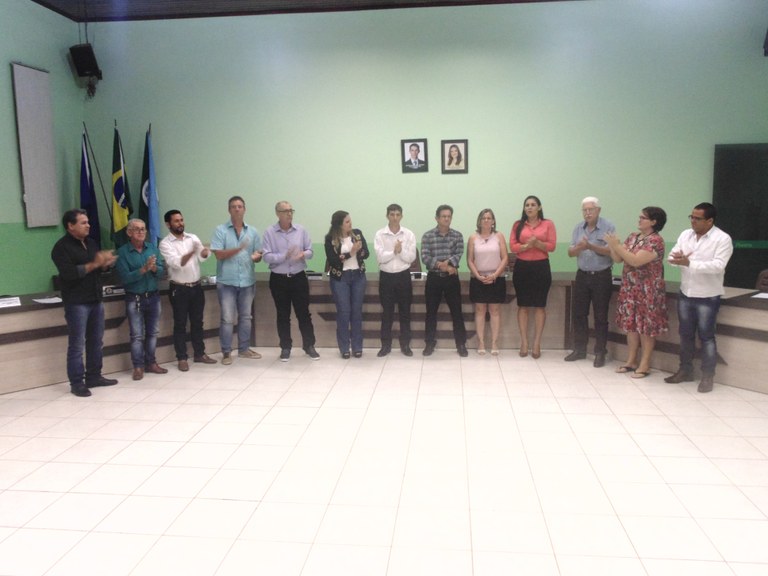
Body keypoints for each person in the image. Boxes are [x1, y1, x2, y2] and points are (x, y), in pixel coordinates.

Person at [664, 202, 733, 393]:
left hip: (707, 296)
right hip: (686, 292)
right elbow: (672, 257)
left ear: (709, 221)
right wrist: (677, 260)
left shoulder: (722, 239)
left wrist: (689, 263)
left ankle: (707, 376)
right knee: (685, 335)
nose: (693, 221)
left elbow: (718, 265)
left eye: (697, 218)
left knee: (706, 337)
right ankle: (685, 371)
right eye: (691, 217)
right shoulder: (685, 235)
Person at [51, 209, 118, 397]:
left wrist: (105, 264)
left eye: (88, 222)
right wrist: (95, 264)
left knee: (96, 341)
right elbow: (69, 274)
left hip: (95, 298)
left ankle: (94, 376)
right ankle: (77, 383)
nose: (88, 225)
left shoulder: (91, 243)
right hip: (76, 302)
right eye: (83, 222)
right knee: (77, 344)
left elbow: (98, 269)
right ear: (70, 226)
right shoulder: (61, 248)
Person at [605, 207, 668, 379]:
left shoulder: (655, 241)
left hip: (648, 291)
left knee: (645, 328)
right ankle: (631, 361)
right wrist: (613, 246)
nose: (639, 219)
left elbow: (635, 261)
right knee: (631, 326)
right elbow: (618, 259)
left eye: (643, 217)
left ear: (654, 222)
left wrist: (616, 246)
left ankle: (645, 364)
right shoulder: (633, 236)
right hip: (630, 289)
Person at [159, 209, 217, 372]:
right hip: (179, 289)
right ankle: (182, 358)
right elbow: (176, 263)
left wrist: (205, 252)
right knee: (180, 324)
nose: (180, 223)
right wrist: (190, 252)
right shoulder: (165, 243)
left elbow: (202, 257)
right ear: (168, 224)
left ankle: (200, 353)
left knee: (198, 322)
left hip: (196, 287)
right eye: (176, 221)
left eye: (181, 220)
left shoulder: (192, 237)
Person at [261, 201, 320, 362]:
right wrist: (284, 256)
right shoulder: (269, 232)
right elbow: (266, 256)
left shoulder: (301, 230)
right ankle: (285, 347)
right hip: (279, 279)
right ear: (277, 213)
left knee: (304, 314)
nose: (289, 214)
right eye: (285, 211)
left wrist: (303, 254)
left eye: (291, 210)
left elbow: (310, 250)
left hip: (298, 277)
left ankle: (309, 345)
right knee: (282, 314)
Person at [210, 196, 263, 365]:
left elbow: (258, 254)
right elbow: (218, 254)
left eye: (240, 206)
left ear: (244, 209)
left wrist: (257, 256)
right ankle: (226, 352)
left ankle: (244, 349)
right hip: (227, 282)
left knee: (246, 317)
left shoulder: (253, 232)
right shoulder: (220, 230)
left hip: (247, 281)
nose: (237, 209)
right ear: (229, 210)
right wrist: (238, 249)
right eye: (234, 206)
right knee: (227, 319)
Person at [565, 197, 615, 367]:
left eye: (590, 210)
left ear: (598, 210)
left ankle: (600, 352)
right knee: (579, 314)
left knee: (600, 316)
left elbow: (612, 251)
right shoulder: (578, 228)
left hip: (601, 276)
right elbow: (570, 252)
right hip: (582, 275)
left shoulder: (608, 227)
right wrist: (580, 247)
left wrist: (591, 246)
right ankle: (580, 349)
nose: (587, 213)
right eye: (584, 210)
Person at [116, 219, 168, 381]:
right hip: (134, 298)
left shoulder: (152, 248)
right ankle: (138, 367)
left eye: (143, 229)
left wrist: (154, 268)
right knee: (137, 335)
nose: (141, 232)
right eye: (137, 229)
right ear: (129, 232)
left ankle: (151, 363)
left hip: (153, 296)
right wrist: (143, 269)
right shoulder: (122, 252)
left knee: (153, 332)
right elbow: (124, 278)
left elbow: (162, 272)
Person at [509, 195, 556, 359]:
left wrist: (538, 244)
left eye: (533, 205)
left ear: (539, 207)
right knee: (523, 306)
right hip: (522, 268)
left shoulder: (548, 224)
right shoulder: (518, 225)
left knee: (539, 306)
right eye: (527, 205)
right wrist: (526, 246)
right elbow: (513, 246)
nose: (529, 207)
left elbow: (552, 246)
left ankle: (536, 343)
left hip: (541, 267)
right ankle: (524, 342)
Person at [421, 204, 468, 357]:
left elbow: (458, 253)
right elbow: (425, 257)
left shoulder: (457, 235)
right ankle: (429, 343)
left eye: (449, 216)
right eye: (443, 216)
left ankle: (461, 344)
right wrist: (442, 266)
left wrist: (447, 265)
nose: (446, 219)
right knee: (431, 312)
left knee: (457, 312)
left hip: (451, 280)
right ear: (437, 218)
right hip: (433, 279)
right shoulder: (428, 236)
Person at [374, 203, 417, 357]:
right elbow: (380, 258)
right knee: (387, 313)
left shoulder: (408, 234)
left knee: (405, 312)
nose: (395, 217)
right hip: (386, 277)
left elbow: (411, 258)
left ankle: (405, 345)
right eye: (392, 214)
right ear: (387, 216)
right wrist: (394, 252)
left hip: (403, 276)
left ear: (401, 216)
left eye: (397, 214)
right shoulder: (380, 234)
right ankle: (385, 345)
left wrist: (400, 251)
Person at [325, 210, 369, 358]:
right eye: (347, 222)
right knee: (344, 312)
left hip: (358, 276)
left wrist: (360, 251)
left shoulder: (357, 234)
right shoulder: (330, 239)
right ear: (339, 224)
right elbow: (333, 261)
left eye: (350, 220)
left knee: (356, 312)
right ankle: (344, 347)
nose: (350, 223)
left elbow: (366, 253)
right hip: (340, 278)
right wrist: (351, 252)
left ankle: (357, 346)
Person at [466, 208, 508, 355]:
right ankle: (481, 342)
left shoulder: (499, 236)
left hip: (496, 279)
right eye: (483, 218)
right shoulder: (473, 237)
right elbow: (469, 260)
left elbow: (505, 258)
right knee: (480, 311)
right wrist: (477, 275)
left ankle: (495, 343)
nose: (486, 220)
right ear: (479, 221)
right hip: (478, 279)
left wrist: (495, 275)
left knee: (495, 311)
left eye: (489, 218)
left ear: (493, 221)